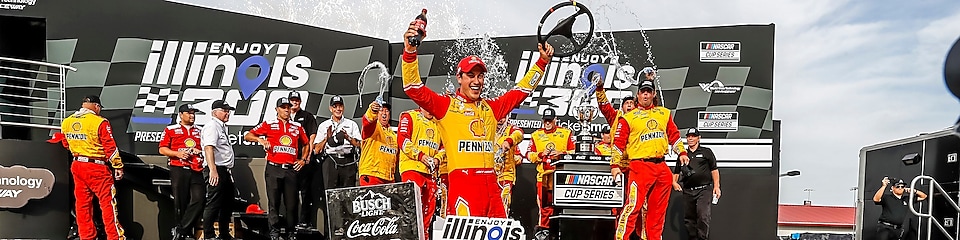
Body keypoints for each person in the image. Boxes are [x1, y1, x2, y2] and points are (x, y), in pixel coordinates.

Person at [401, 20, 554, 218]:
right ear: (459, 77)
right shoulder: (445, 105)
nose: (476, 81)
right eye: (470, 75)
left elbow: (521, 91)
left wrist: (541, 63)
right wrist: (410, 51)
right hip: (463, 186)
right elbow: (413, 87)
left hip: (492, 186)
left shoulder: (491, 108)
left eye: (480, 76)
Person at [611, 76, 689, 240]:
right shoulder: (628, 117)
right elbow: (618, 144)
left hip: (661, 167)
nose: (645, 95)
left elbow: (674, 136)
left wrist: (682, 153)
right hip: (640, 167)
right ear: (637, 95)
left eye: (648, 92)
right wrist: (615, 165)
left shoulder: (664, 113)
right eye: (642, 92)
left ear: (654, 94)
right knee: (633, 208)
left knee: (657, 213)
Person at [52, 95, 126, 240]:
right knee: (108, 204)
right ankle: (115, 237)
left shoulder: (67, 121)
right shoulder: (100, 122)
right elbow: (110, 147)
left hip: (77, 165)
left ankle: (86, 237)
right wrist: (118, 166)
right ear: (96, 106)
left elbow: (66, 144)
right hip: (97, 167)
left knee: (82, 205)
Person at [245, 97, 310, 240]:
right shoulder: (269, 124)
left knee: (291, 204)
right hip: (274, 168)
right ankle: (274, 233)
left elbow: (306, 144)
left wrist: (304, 159)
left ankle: (291, 233)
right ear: (277, 109)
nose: (286, 110)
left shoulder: (297, 127)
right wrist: (260, 140)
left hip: (291, 169)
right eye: (283, 107)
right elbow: (247, 135)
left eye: (288, 107)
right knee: (273, 203)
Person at [313, 95, 362, 235]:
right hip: (331, 161)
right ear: (330, 108)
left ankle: (348, 232)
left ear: (343, 108)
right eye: (335, 106)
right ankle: (331, 233)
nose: (338, 109)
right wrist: (327, 139)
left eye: (340, 106)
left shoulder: (351, 124)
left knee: (347, 196)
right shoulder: (324, 125)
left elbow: (359, 144)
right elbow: (316, 149)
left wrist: (347, 137)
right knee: (331, 196)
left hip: (348, 161)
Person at [526, 108, 575, 239]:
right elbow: (528, 155)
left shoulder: (565, 133)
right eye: (545, 120)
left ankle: (562, 231)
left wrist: (561, 154)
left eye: (550, 120)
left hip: (562, 176)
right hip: (545, 176)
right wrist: (541, 155)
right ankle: (544, 232)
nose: (547, 123)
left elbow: (574, 151)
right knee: (545, 208)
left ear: (555, 120)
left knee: (564, 205)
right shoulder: (536, 135)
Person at [159, 104, 205, 240]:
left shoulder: (201, 130)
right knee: (180, 201)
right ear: (180, 114)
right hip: (178, 167)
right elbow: (162, 149)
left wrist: (199, 151)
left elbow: (207, 149)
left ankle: (181, 229)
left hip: (197, 168)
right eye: (189, 113)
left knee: (199, 198)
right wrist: (177, 154)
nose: (192, 116)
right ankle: (185, 233)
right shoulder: (171, 129)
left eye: (193, 113)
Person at [397, 107, 443, 239]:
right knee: (411, 210)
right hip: (412, 168)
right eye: (426, 106)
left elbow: (444, 146)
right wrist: (421, 156)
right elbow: (403, 140)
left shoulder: (438, 122)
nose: (430, 110)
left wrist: (437, 159)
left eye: (431, 106)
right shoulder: (409, 116)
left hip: (431, 172)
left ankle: (425, 237)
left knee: (429, 210)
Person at [672, 128, 720, 240]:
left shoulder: (706, 152)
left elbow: (714, 170)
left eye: (693, 136)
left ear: (699, 138)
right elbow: (676, 172)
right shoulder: (683, 154)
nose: (690, 138)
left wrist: (717, 186)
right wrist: (673, 182)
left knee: (703, 216)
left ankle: (703, 238)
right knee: (689, 219)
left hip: (704, 189)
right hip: (688, 190)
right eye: (689, 136)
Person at [200, 100, 237, 240]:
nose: (227, 113)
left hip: (225, 170)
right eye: (224, 110)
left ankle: (224, 233)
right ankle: (209, 235)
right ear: (214, 112)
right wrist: (213, 170)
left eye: (228, 110)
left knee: (227, 204)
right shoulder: (212, 126)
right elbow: (209, 148)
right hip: (216, 169)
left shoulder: (222, 127)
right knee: (213, 203)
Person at [287, 91, 321, 231]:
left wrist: (307, 156)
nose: (294, 102)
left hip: (304, 159)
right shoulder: (285, 117)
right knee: (290, 192)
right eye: (292, 100)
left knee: (305, 192)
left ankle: (304, 221)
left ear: (300, 102)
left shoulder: (307, 116)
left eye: (297, 100)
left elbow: (312, 136)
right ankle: (292, 222)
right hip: (289, 159)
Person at [358, 101, 398, 186]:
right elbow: (368, 122)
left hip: (389, 178)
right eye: (381, 110)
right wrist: (372, 111)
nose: (384, 113)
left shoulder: (393, 135)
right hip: (371, 175)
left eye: (387, 111)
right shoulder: (374, 127)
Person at [495, 116, 523, 215]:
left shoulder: (511, 129)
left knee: (504, 200)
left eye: (503, 117)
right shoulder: (487, 128)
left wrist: (509, 141)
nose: (500, 120)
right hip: (489, 174)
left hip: (506, 173)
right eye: (499, 117)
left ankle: (503, 222)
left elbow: (519, 133)